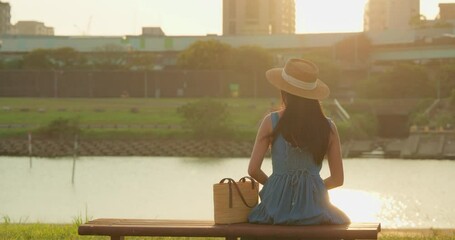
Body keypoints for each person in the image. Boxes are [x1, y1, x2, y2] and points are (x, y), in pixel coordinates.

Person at [247, 58, 350, 225]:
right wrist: (309, 190)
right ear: (313, 95)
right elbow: (338, 179)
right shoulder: (328, 127)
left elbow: (253, 169)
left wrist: (277, 187)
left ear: (284, 91)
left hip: (276, 208)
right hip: (315, 211)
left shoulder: (270, 121)